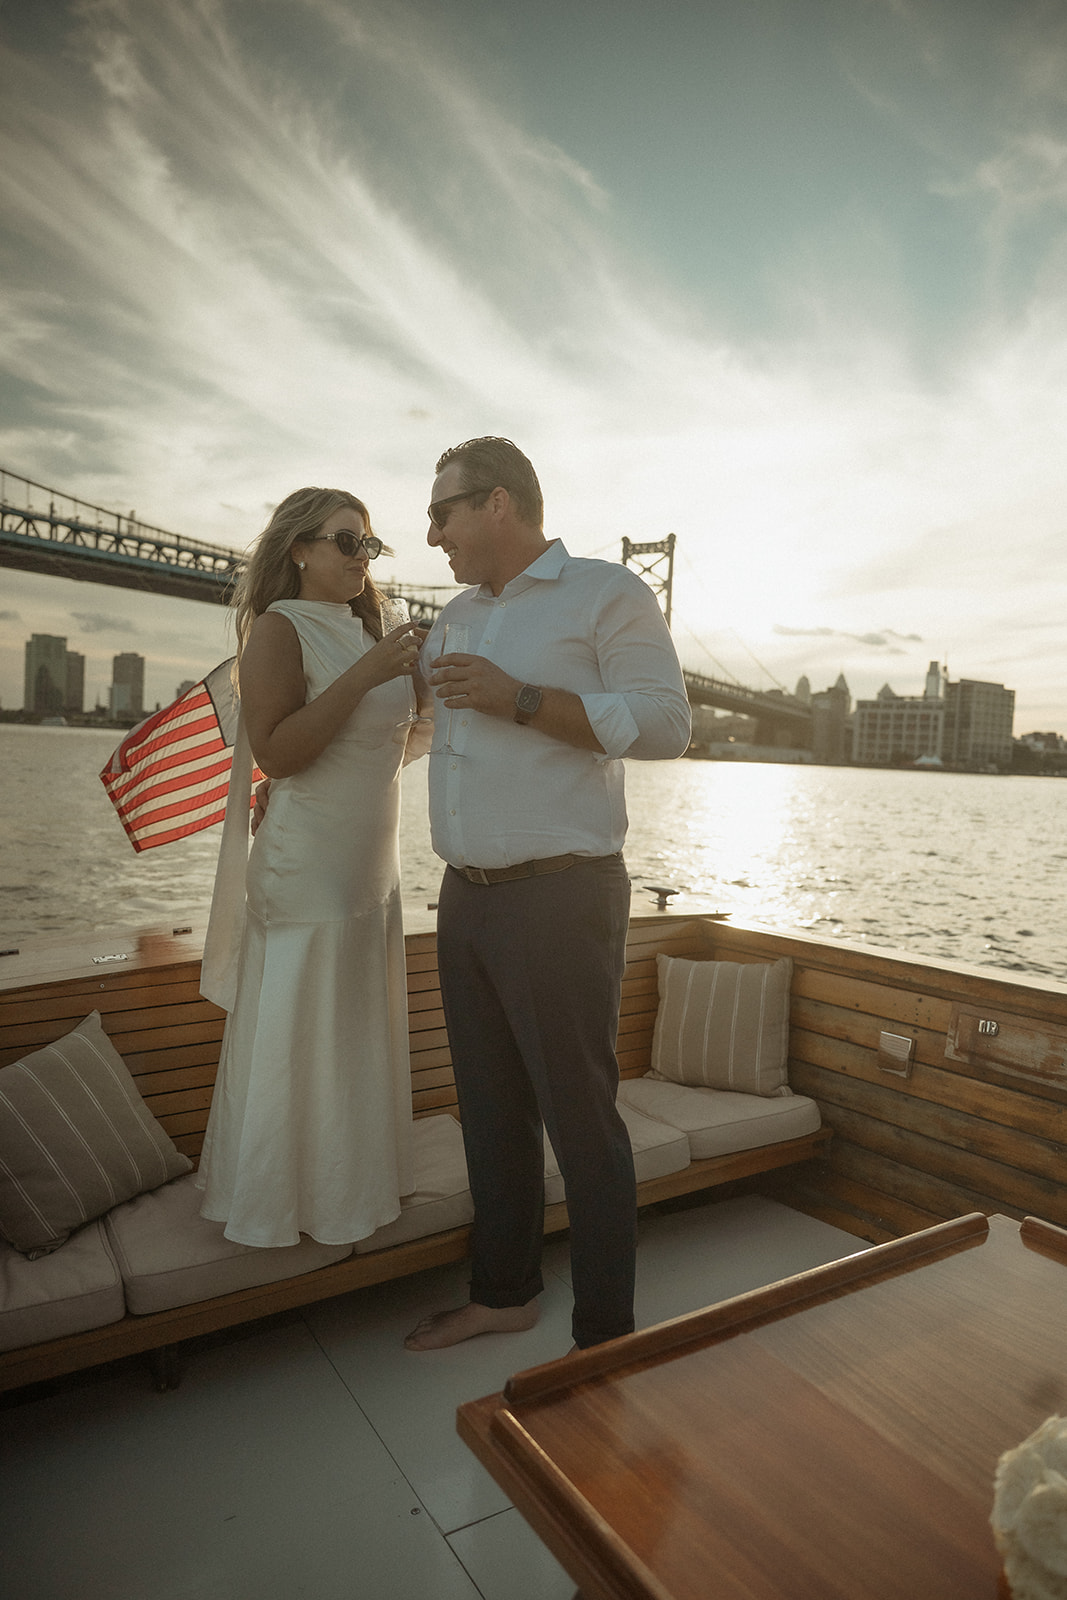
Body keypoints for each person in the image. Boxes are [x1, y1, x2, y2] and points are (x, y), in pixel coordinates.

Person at [404, 437, 691, 1352]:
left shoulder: (608, 592)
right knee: (487, 1108)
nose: (431, 530)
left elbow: (665, 724)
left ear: (497, 504)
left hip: (561, 896)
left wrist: (518, 697)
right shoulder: (449, 616)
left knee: (579, 1116)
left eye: (441, 510)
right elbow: (422, 736)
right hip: (465, 896)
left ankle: (605, 1338)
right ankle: (503, 1295)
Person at [197, 487, 427, 1248]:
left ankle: (348, 1198)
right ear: (298, 549)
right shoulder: (278, 630)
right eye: (345, 541)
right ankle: (277, 1208)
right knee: (302, 1040)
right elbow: (280, 754)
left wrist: (425, 677)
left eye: (369, 544)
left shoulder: (376, 630)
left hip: (370, 872)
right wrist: (365, 677)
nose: (363, 557)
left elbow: (399, 741)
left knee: (353, 1034)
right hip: (309, 870)